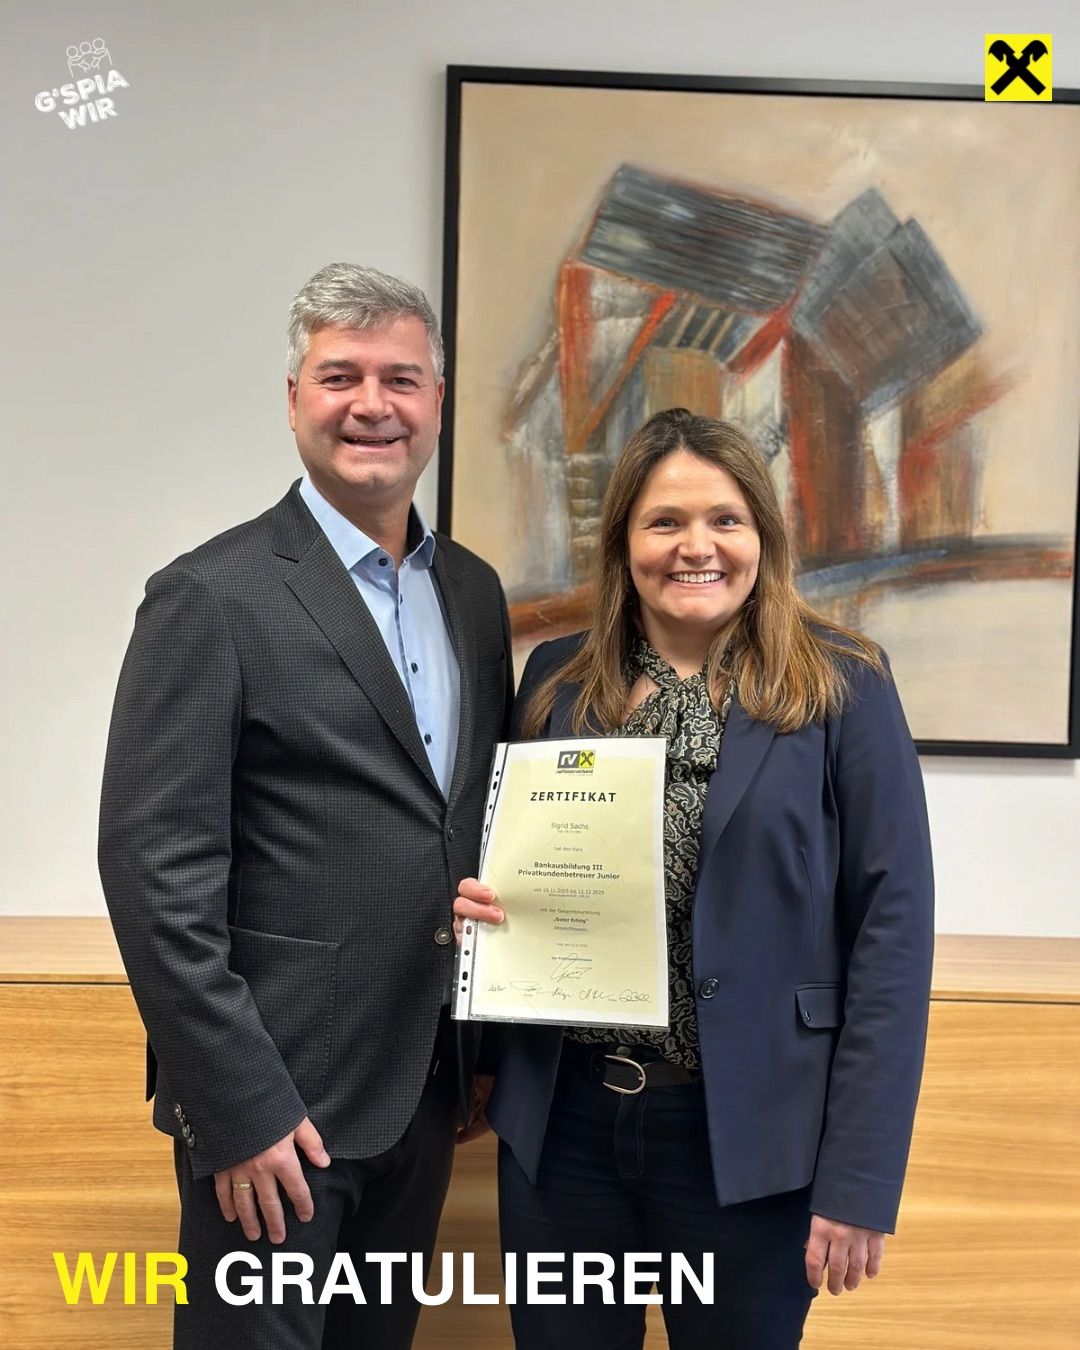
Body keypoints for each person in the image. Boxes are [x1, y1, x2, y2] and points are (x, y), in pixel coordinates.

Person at [454, 407, 934, 1350]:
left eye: (725, 519)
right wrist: (487, 912)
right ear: (624, 543)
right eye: (665, 521)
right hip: (566, 1131)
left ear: (763, 535)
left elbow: (893, 934)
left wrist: (861, 1177)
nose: (696, 547)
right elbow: (514, 874)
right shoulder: (554, 682)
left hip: (751, 1140)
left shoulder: (845, 684)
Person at [99, 262, 514, 1349]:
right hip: (273, 1113)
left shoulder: (471, 593)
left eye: (402, 379)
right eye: (340, 376)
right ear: (294, 399)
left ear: (436, 404)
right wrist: (235, 1106)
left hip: (423, 1091)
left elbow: (463, 823)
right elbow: (154, 877)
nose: (372, 404)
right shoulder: (210, 597)